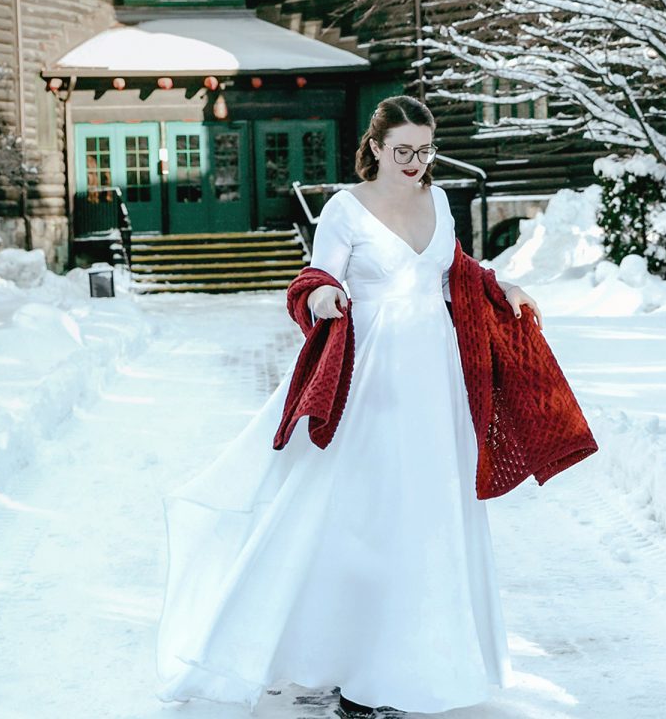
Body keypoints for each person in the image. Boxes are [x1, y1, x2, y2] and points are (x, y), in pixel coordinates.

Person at [155, 95, 541, 716]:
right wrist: (322, 299)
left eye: (425, 151)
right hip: (371, 373)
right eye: (402, 150)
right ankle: (349, 662)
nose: (414, 162)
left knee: (429, 508)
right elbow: (315, 278)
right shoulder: (345, 207)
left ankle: (418, 661)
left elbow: (454, 274)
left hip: (435, 375)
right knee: (366, 511)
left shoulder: (440, 201)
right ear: (376, 147)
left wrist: (504, 286)